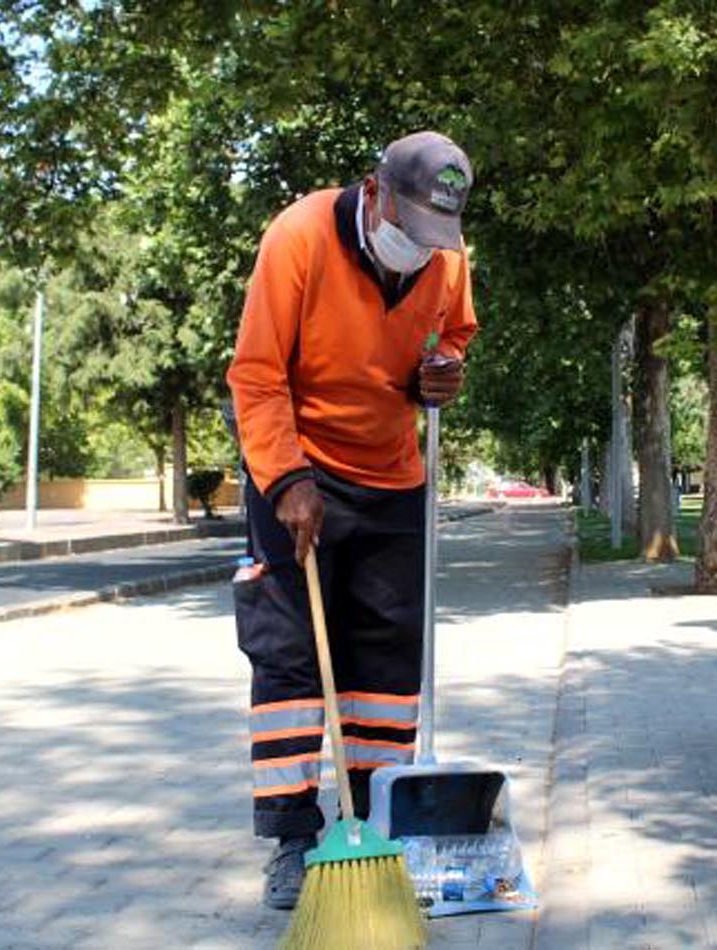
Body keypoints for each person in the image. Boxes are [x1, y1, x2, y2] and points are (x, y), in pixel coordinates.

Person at [226, 131, 477, 910]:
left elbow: (452, 335)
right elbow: (256, 373)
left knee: (385, 665)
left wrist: (441, 374)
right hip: (299, 470)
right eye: (409, 228)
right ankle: (295, 838)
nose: (420, 249)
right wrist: (286, 479)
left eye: (434, 237)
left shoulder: (447, 257)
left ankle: (372, 823)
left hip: (392, 477)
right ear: (373, 194)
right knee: (293, 662)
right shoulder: (297, 236)